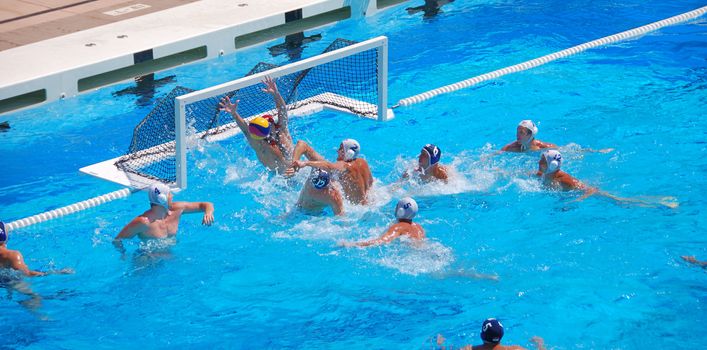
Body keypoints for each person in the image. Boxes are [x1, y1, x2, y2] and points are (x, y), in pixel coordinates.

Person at [536, 150, 678, 208]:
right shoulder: (545, 173)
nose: (538, 162)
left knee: (621, 201)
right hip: (579, 192)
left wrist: (574, 202)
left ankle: (659, 203)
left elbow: (590, 190)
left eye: (542, 160)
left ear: (551, 165)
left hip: (591, 193)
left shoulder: (565, 180)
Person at [218, 76, 294, 174]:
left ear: (274, 125)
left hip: (296, 170)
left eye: (269, 124)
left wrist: (276, 94)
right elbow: (246, 130)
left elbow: (282, 110)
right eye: (265, 125)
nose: (268, 127)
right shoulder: (261, 145)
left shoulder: (281, 131)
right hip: (279, 180)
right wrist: (234, 114)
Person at [113, 183, 215, 255]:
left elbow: (206, 204)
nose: (172, 196)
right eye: (170, 194)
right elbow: (117, 240)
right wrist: (123, 254)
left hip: (168, 253)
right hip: (147, 257)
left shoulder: (177, 209)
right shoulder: (144, 222)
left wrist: (208, 212)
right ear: (163, 198)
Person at [287, 139, 373, 205]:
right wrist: (294, 164)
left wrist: (305, 163)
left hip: (354, 209)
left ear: (346, 152)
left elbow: (329, 166)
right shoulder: (363, 162)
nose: (337, 151)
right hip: (367, 204)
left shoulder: (344, 165)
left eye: (340, 149)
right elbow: (371, 183)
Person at [340, 197, 424, 247]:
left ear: (400, 211)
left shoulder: (399, 227)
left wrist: (352, 244)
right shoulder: (419, 227)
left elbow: (382, 241)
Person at [0, 222, 73, 277]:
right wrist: (56, 272)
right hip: (9, 281)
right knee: (35, 297)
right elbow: (26, 273)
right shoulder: (12, 255)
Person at [437, 318, 546, 350]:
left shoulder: (468, 349)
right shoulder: (516, 349)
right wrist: (540, 344)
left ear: (481, 335)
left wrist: (440, 344)